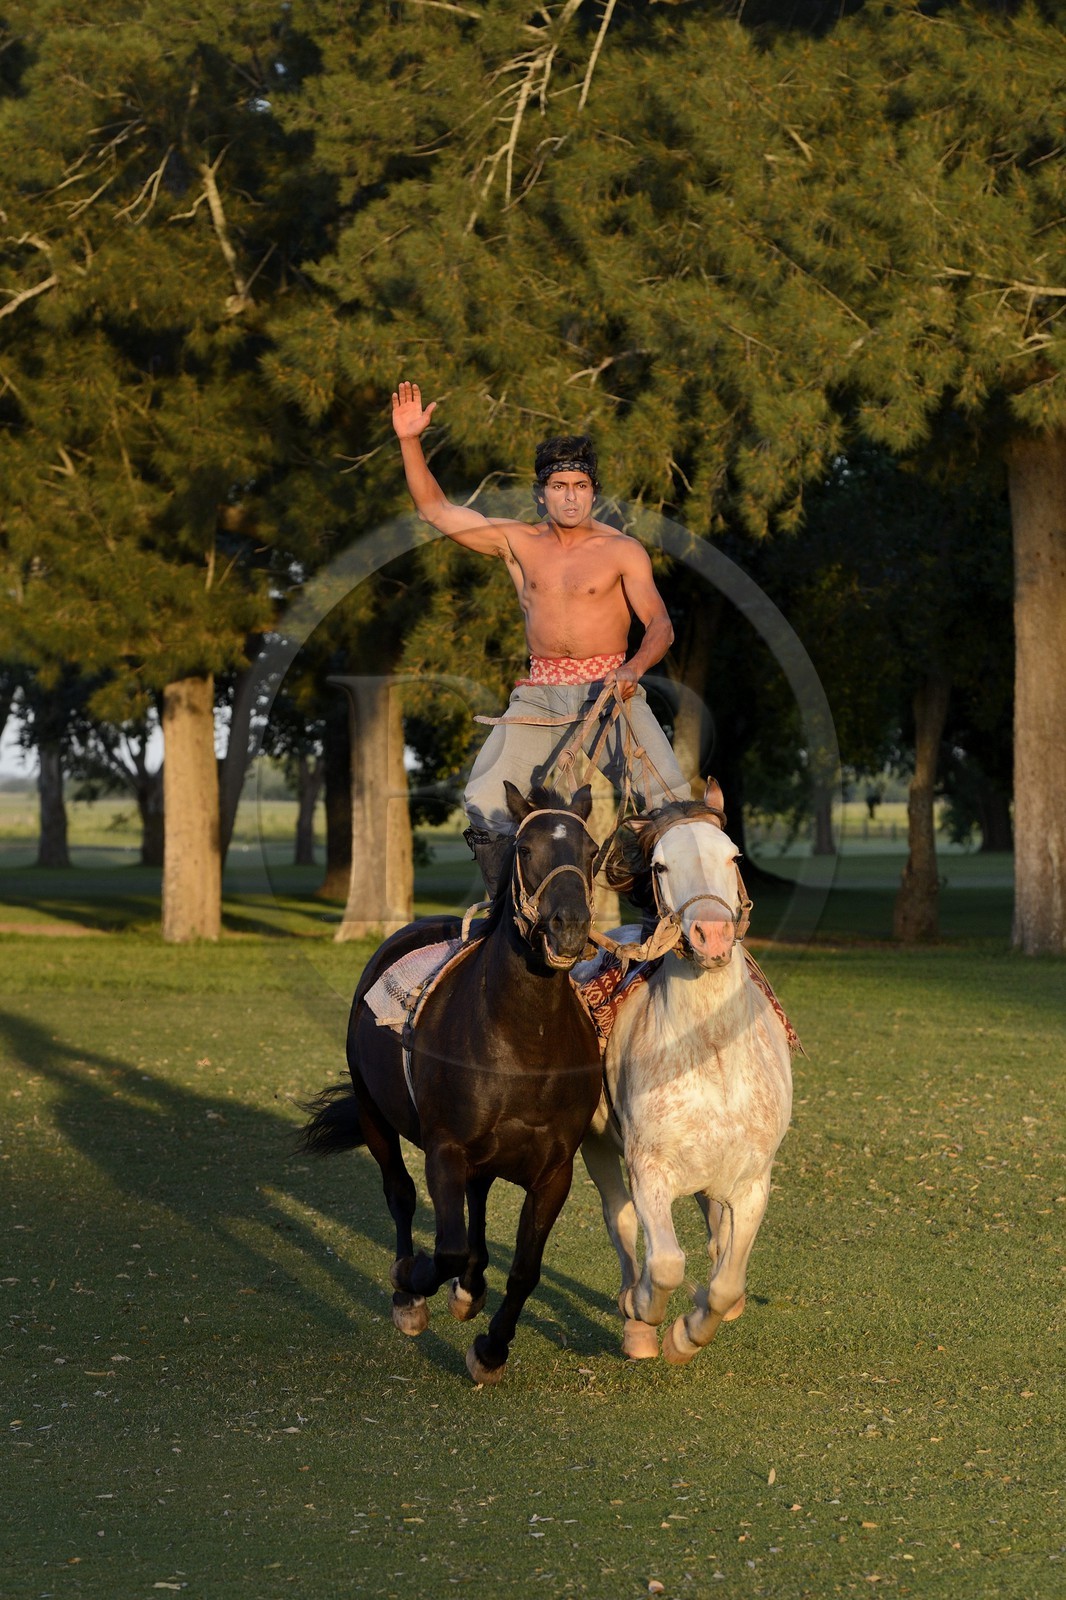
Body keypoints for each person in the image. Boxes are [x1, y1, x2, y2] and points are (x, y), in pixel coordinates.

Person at [391, 380, 692, 894]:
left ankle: (667, 924)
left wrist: (635, 669)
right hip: (540, 697)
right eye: (559, 486)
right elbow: (436, 512)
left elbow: (659, 625)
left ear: (593, 492)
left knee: (672, 803)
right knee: (485, 800)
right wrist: (409, 441)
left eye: (580, 486)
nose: (570, 496)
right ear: (541, 493)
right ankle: (514, 917)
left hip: (611, 693)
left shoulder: (623, 551)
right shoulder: (517, 543)